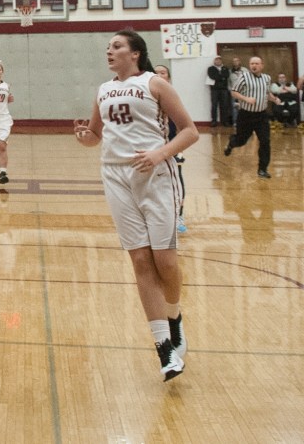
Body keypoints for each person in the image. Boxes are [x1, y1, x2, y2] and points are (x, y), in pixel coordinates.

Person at [73, 29, 198, 382]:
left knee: (166, 261)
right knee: (140, 259)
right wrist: (85, 137)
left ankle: (174, 318)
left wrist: (160, 153)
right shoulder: (103, 90)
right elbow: (96, 136)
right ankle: (163, 349)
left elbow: (189, 131)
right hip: (115, 176)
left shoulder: (155, 84)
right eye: (108, 47)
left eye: (116, 46)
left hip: (155, 175)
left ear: (135, 53)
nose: (109, 51)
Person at [225, 56, 282, 178]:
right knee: (242, 140)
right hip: (246, 115)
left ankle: (262, 169)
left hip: (261, 115)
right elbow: (234, 91)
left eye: (256, 63)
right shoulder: (244, 77)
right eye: (252, 63)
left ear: (262, 65)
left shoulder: (267, 78)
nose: (254, 65)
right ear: (249, 65)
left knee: (265, 141)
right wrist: (246, 99)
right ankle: (231, 143)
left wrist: (274, 99)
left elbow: (267, 93)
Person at [154, 65, 188, 234]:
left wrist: (179, 147)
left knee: (176, 180)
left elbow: (184, 125)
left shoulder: (172, 96)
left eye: (163, 72)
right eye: (156, 72)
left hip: (172, 145)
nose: (159, 75)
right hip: (153, 148)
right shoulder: (148, 96)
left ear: (168, 77)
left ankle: (179, 216)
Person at [206, 56, 231, 127]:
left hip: (224, 89)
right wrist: (221, 77)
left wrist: (219, 77)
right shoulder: (211, 68)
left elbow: (226, 76)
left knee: (224, 106)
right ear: (214, 61)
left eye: (219, 60)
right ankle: (214, 121)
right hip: (214, 90)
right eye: (216, 60)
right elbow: (212, 76)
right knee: (214, 105)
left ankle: (225, 121)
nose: (218, 61)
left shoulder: (225, 68)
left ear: (221, 61)